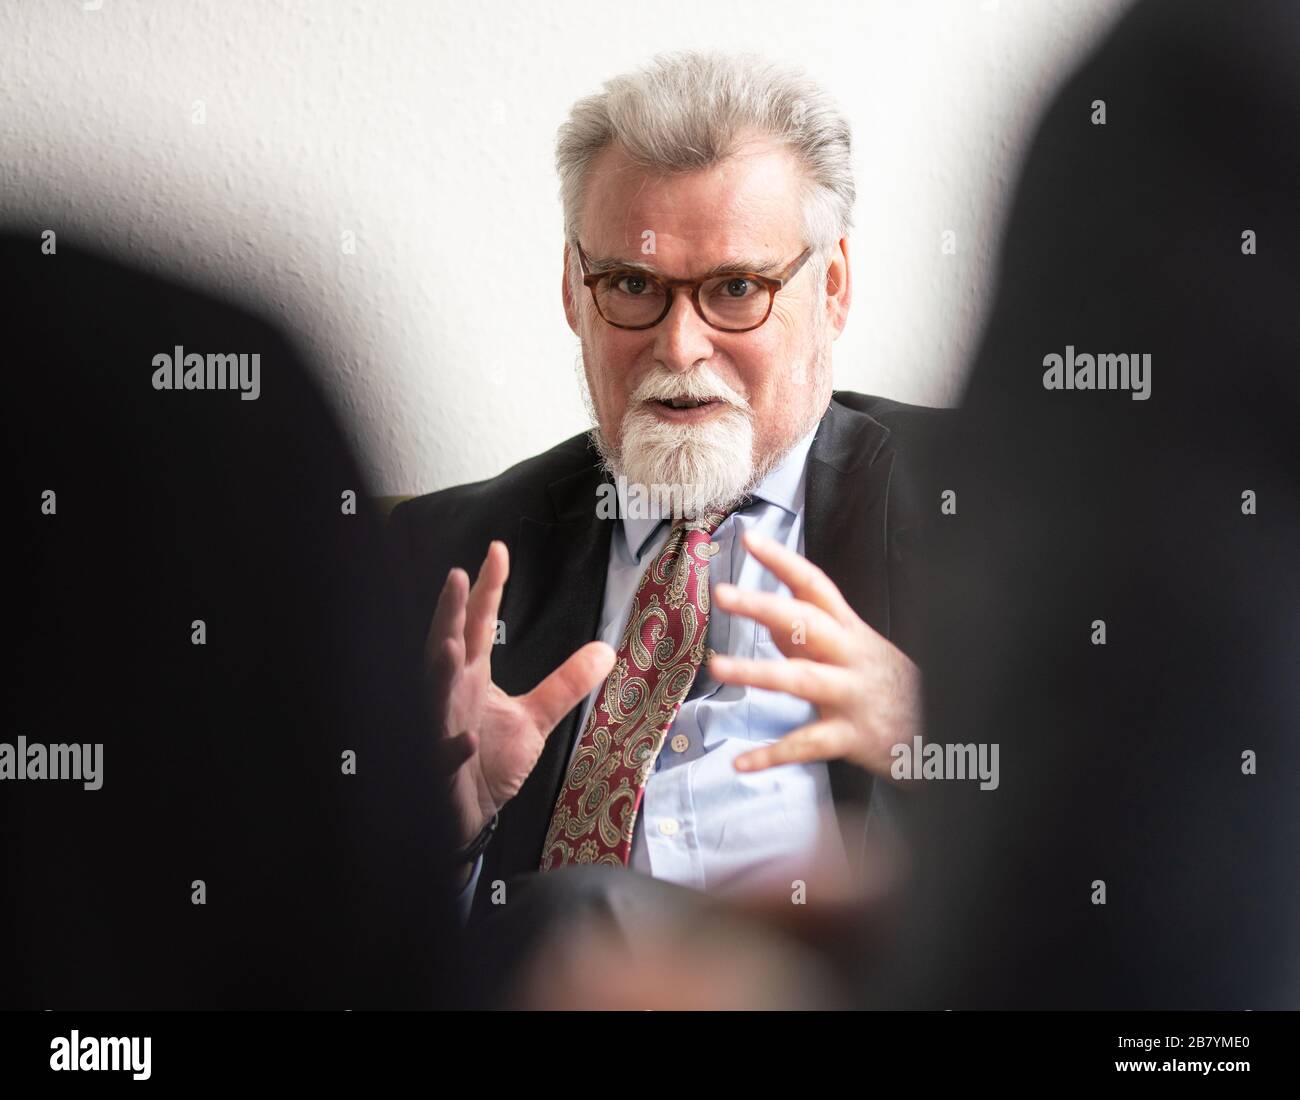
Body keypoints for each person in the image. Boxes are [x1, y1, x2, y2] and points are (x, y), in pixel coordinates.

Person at [388, 51, 949, 956]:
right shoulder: (439, 560)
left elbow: (1163, 848)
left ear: (831, 289)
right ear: (575, 291)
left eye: (736, 289)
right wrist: (440, 843)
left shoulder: (993, 511)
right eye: (634, 286)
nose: (680, 346)